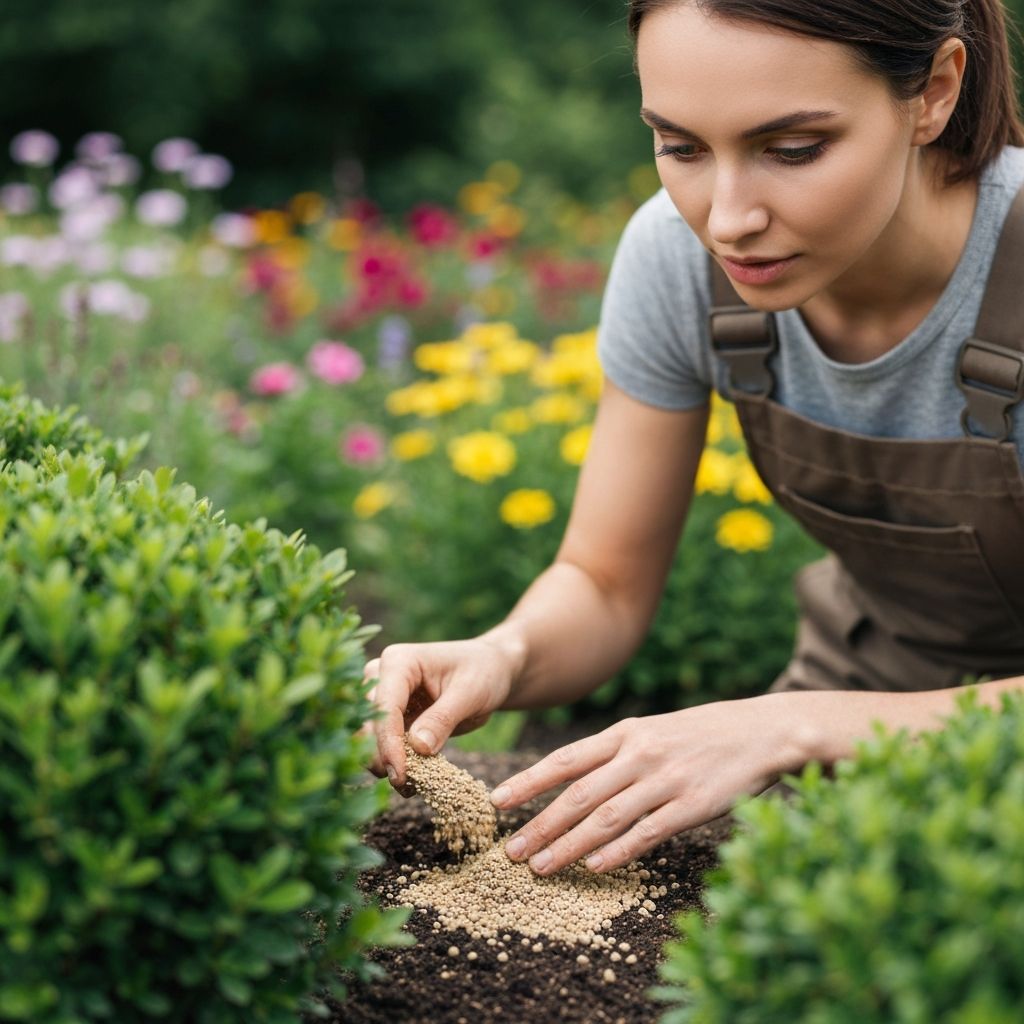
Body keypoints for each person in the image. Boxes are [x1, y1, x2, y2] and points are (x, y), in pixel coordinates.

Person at [365, 0, 1024, 878]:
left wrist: (795, 726)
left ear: (935, 92)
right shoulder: (679, 261)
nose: (726, 220)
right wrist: (502, 654)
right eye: (680, 147)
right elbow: (604, 584)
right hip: (862, 687)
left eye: (794, 149)